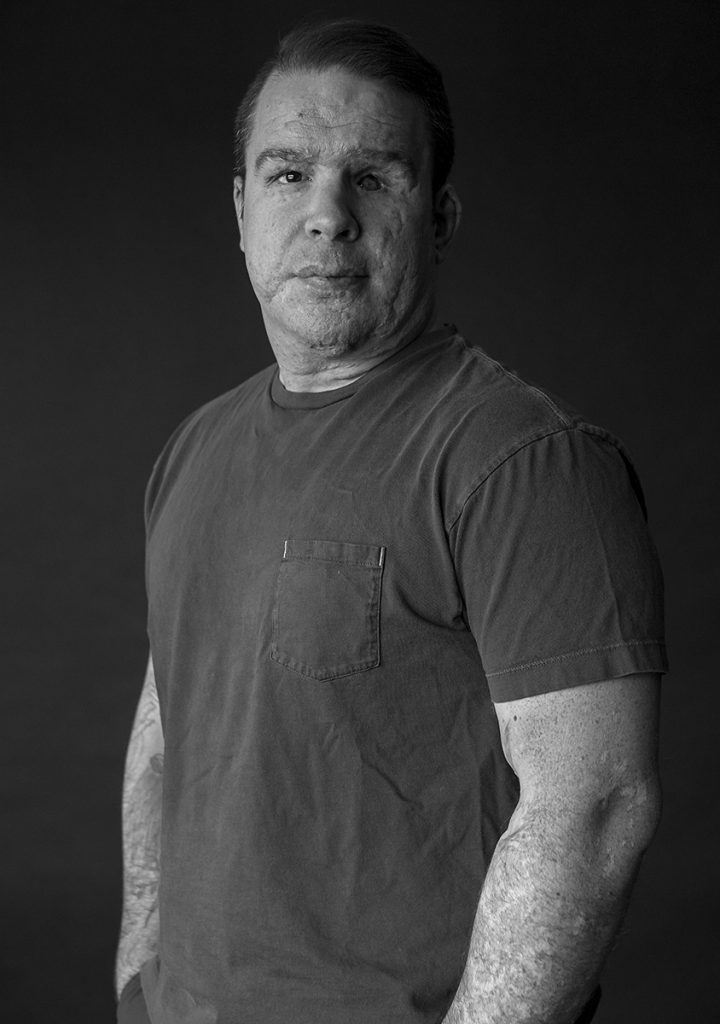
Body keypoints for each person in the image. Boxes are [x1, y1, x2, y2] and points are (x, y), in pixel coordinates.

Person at [115, 19, 668, 1024]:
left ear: (441, 215)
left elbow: (591, 813)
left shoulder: (522, 460)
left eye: (374, 176)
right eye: (287, 174)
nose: (327, 214)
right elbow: (165, 737)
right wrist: (140, 976)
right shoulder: (193, 450)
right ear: (241, 209)